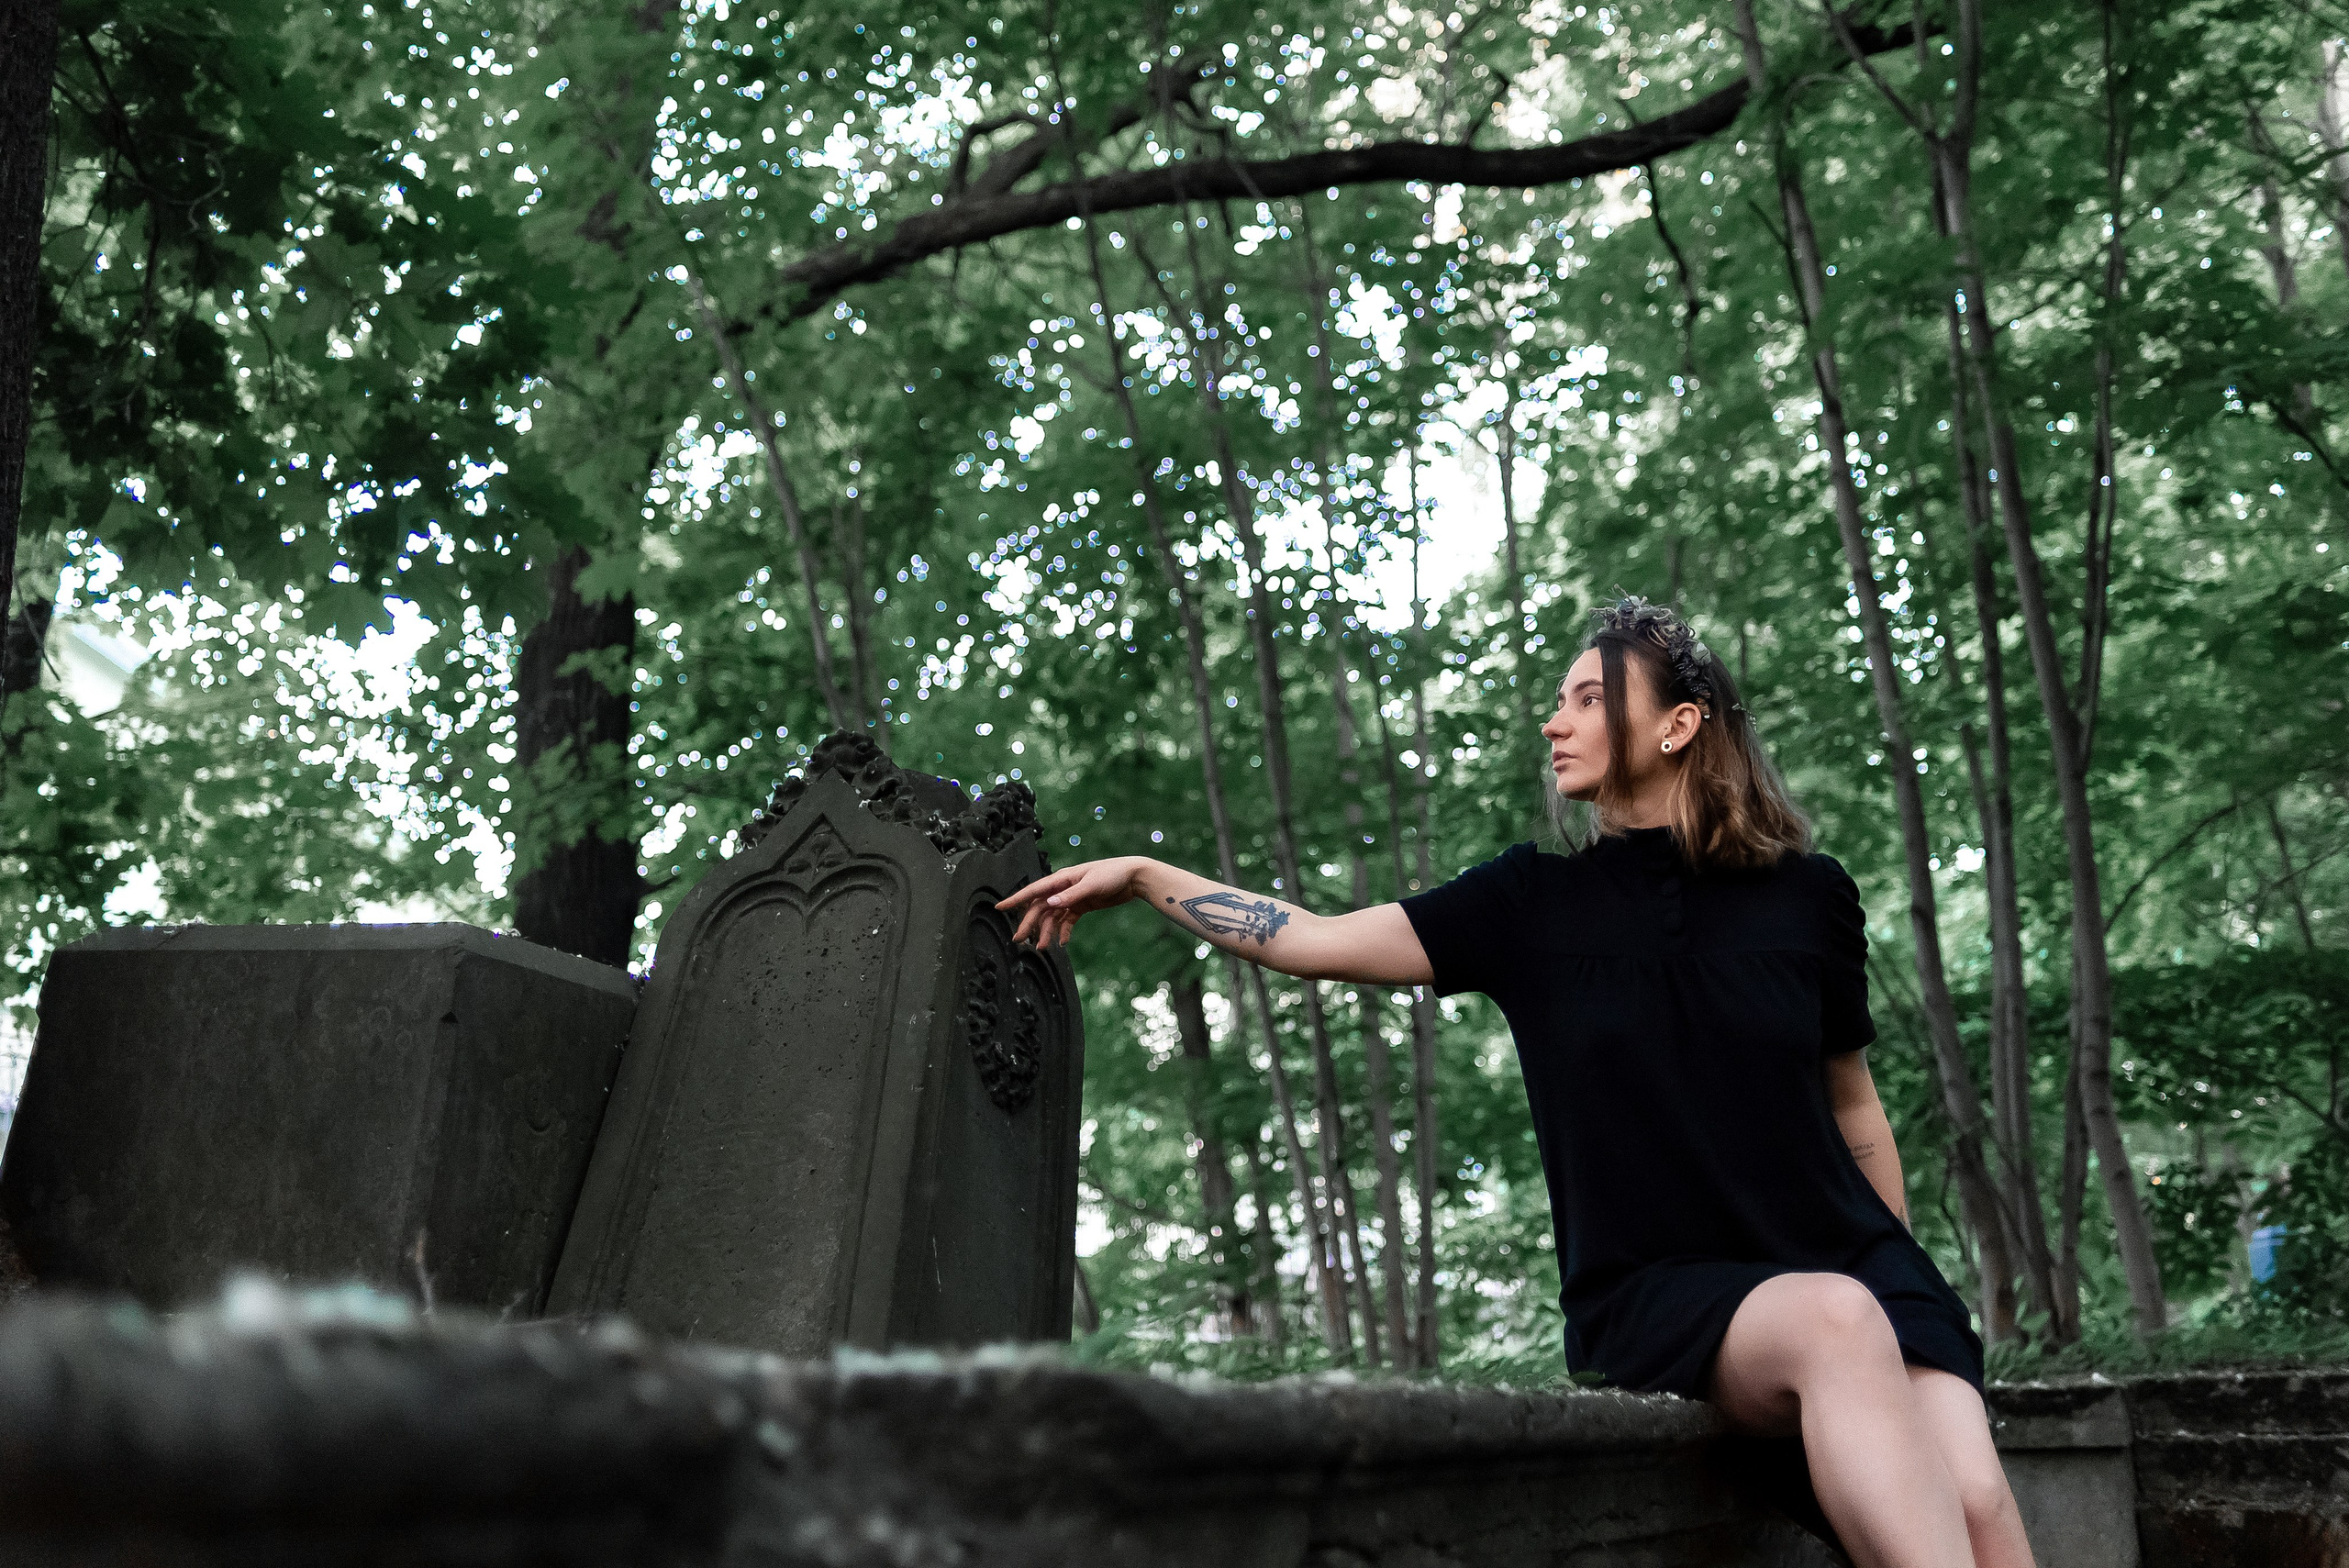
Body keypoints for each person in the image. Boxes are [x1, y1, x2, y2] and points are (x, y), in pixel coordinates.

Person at [996, 595, 2037, 1568]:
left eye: (1589, 697)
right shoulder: (1529, 904)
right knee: (1838, 1324)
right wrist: (1145, 876)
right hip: (1668, 1282)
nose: (1555, 721)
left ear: (1677, 726)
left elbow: (1850, 1102)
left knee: (1982, 1504)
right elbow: (1308, 938)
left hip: (1855, 1261)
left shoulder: (1811, 896)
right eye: (1559, 699)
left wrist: (1892, 1273)